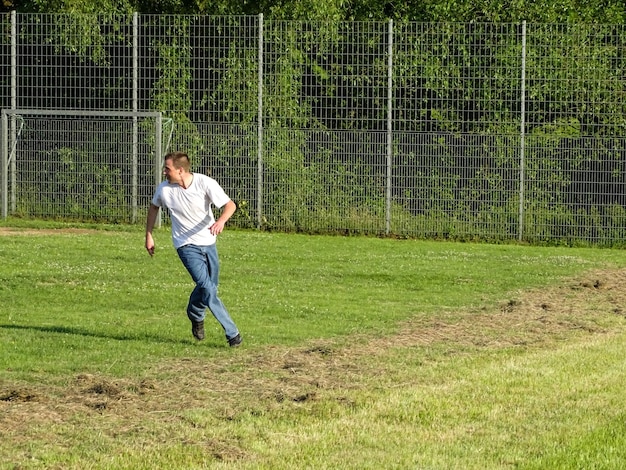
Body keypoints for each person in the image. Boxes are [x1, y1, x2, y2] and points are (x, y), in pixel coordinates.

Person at [145, 151, 242, 347]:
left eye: (167, 169)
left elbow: (230, 205)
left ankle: (195, 313)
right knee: (207, 287)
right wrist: (148, 234)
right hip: (185, 245)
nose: (164, 172)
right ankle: (232, 333)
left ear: (180, 170)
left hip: (208, 242)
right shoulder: (164, 189)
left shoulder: (204, 183)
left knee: (210, 287)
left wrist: (221, 221)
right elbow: (154, 207)